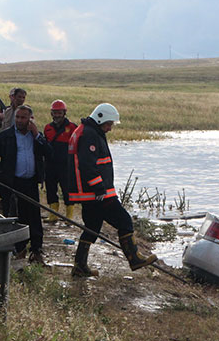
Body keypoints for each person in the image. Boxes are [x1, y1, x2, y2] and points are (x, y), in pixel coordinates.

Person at [67, 103, 157, 277]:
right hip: (97, 193)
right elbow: (87, 165)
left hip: (91, 193)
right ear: (100, 118)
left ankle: (79, 266)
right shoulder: (90, 134)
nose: (110, 128)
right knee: (124, 221)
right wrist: (98, 187)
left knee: (92, 226)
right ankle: (134, 259)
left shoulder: (89, 131)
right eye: (108, 124)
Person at [0, 105, 52, 265]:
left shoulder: (36, 136)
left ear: (30, 119)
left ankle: (36, 251)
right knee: (17, 217)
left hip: (31, 182)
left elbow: (49, 153)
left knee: (34, 217)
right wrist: (0, 173)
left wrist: (37, 135)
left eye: (23, 117)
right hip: (12, 183)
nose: (19, 120)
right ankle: (19, 250)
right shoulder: (5, 136)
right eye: (17, 117)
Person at [44, 100, 77, 221]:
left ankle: (69, 216)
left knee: (67, 190)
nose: (57, 115)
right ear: (51, 113)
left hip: (66, 166)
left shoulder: (73, 127)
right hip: (50, 165)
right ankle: (53, 215)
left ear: (64, 112)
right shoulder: (47, 128)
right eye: (54, 112)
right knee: (51, 190)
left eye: (59, 112)